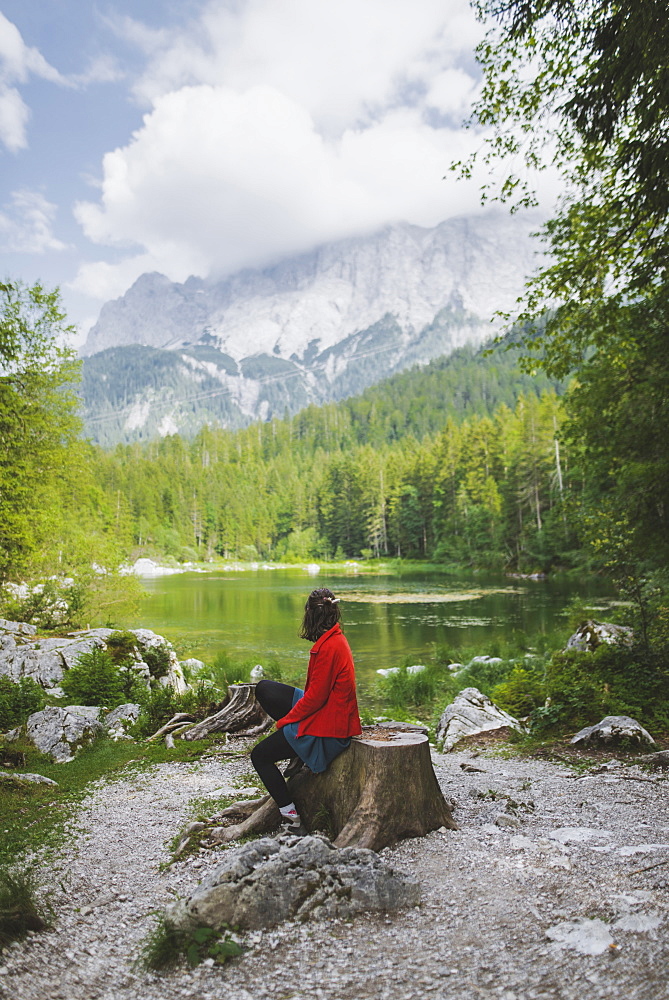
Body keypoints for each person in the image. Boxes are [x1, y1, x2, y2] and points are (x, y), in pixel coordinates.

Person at [250, 587, 362, 834]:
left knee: (260, 756)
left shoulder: (330, 647)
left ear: (311, 614)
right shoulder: (333, 638)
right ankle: (298, 751)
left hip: (329, 725)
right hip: (327, 709)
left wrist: (286, 722)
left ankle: (292, 819)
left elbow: (314, 700)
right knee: (265, 689)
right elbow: (316, 695)